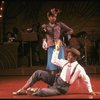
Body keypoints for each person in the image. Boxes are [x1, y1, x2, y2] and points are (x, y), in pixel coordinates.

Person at [12, 40, 96, 96]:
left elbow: (86, 79)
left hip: (61, 88)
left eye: (69, 55)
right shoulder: (65, 62)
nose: (67, 56)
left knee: (42, 92)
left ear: (75, 58)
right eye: (68, 54)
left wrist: (90, 91)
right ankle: (23, 89)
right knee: (38, 73)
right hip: (55, 80)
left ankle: (32, 91)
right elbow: (54, 60)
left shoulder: (79, 69)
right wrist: (57, 48)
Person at [41, 8, 73, 75]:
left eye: (55, 17)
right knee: (52, 66)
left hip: (58, 45)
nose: (54, 18)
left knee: (60, 65)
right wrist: (44, 41)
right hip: (50, 46)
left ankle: (60, 83)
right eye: (52, 16)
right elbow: (42, 34)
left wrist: (64, 34)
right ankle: (53, 83)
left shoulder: (59, 24)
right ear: (48, 17)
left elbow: (71, 30)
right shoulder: (45, 26)